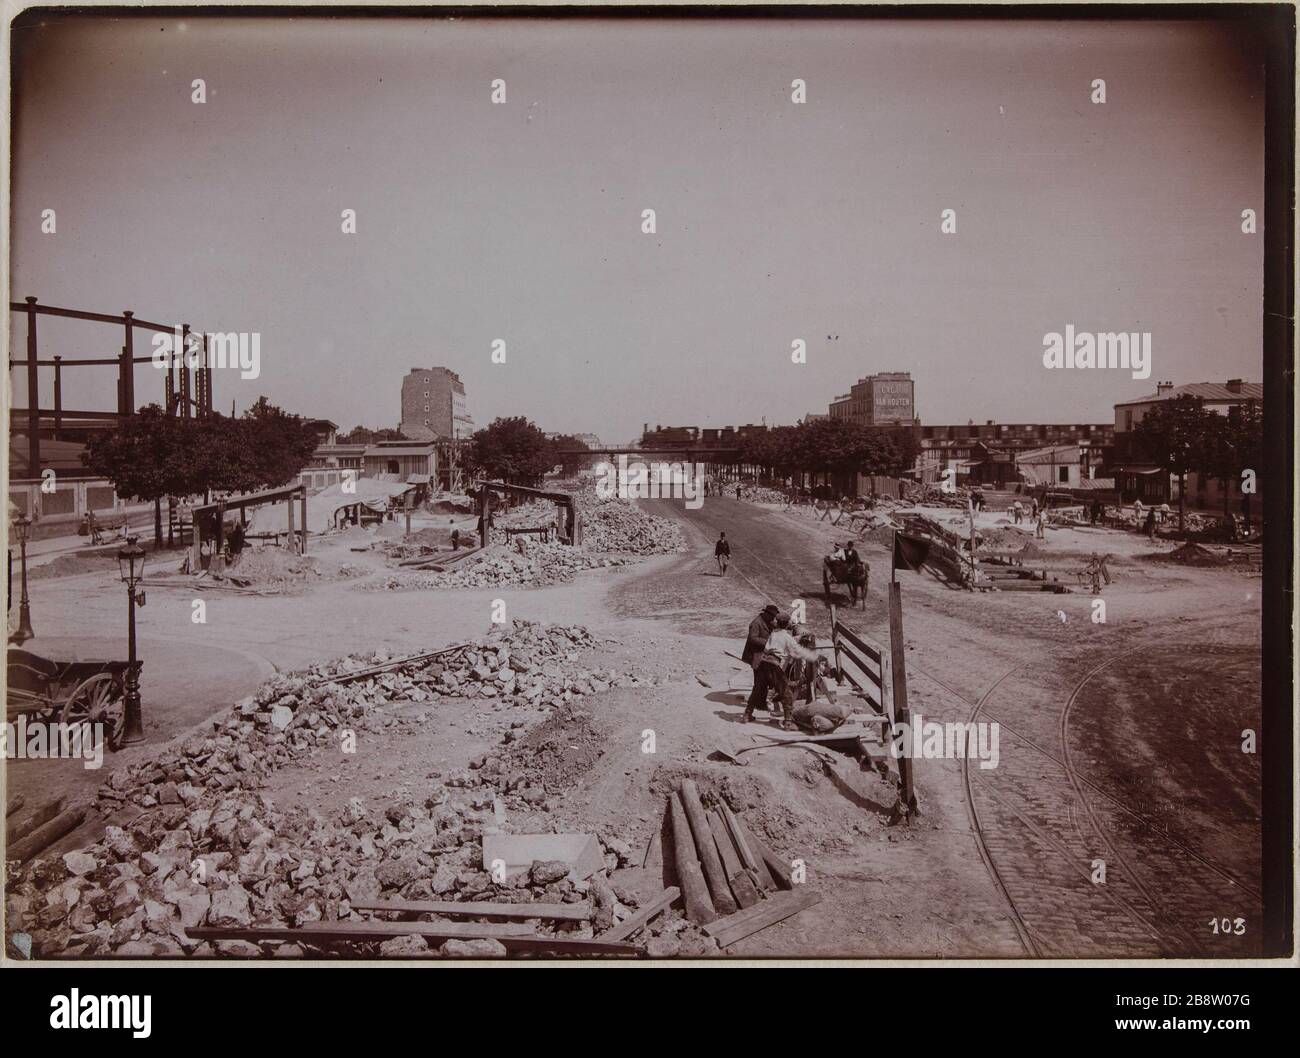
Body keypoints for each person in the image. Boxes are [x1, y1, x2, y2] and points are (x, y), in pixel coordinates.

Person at [750, 612, 820, 729]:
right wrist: (813, 657)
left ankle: (747, 715)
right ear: (787, 624)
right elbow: (797, 652)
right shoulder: (787, 637)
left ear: (777, 623)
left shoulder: (773, 634)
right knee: (786, 694)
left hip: (763, 663)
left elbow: (767, 648)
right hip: (773, 665)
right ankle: (788, 722)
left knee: (757, 690)